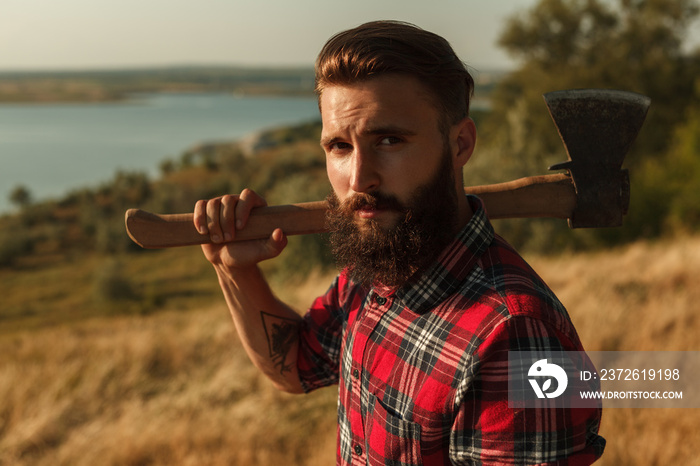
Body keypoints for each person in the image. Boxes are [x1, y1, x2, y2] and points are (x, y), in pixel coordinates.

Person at [193, 20, 605, 465]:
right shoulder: (378, 266)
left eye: (389, 140)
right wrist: (233, 269)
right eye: (339, 146)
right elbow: (294, 366)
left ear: (461, 143)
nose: (358, 179)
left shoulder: (517, 337)